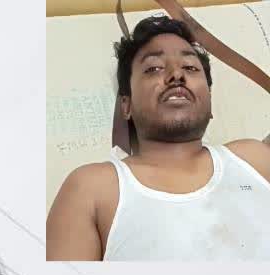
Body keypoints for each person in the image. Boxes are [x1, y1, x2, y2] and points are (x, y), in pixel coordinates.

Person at [47, 15, 270, 261]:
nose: (177, 75)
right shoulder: (92, 189)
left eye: (190, 68)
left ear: (210, 100)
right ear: (126, 105)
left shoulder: (255, 159)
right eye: (153, 68)